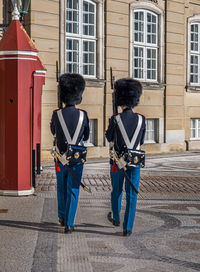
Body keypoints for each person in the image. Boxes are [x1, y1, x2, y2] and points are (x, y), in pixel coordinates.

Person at [105, 78, 146, 236]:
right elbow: (141, 140)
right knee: (132, 194)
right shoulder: (141, 119)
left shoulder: (115, 119)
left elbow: (109, 137)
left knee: (116, 191)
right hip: (135, 161)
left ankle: (115, 217)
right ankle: (128, 227)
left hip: (117, 162)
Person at [50, 73, 89, 234]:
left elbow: (53, 131)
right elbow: (86, 136)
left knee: (61, 187)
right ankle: (70, 223)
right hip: (77, 158)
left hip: (60, 158)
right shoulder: (83, 115)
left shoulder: (56, 114)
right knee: (73, 188)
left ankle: (62, 216)